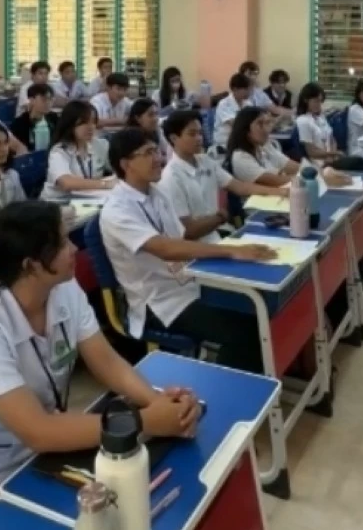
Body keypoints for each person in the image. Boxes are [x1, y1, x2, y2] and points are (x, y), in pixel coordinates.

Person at [0, 200, 204, 511]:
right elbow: (38, 431)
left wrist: (155, 403)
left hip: (50, 454)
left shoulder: (64, 290)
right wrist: (146, 421)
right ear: (32, 265)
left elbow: (106, 361)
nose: (74, 249)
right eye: (63, 242)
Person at [99, 128, 275, 373]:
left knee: (258, 306)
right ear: (126, 163)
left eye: (157, 151)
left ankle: (256, 377)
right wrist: (231, 251)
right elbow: (166, 248)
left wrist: (231, 249)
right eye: (148, 153)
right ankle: (224, 399)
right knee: (244, 330)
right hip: (159, 301)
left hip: (189, 281)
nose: (159, 158)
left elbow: (180, 237)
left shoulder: (156, 192)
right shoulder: (116, 210)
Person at [161, 110, 287, 243]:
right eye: (192, 134)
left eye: (200, 133)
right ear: (174, 138)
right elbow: (188, 231)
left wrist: (280, 191)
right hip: (196, 249)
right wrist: (220, 218)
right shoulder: (171, 177)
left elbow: (240, 187)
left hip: (215, 236)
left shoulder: (205, 161)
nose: (199, 138)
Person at [227, 107, 350, 188]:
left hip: (284, 194)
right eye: (260, 124)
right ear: (245, 130)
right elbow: (274, 181)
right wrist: (320, 180)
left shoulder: (265, 146)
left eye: (267, 123)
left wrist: (321, 172)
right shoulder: (240, 157)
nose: (266, 129)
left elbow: (291, 166)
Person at [295, 82, 363, 172]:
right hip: (319, 165)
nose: (319, 105)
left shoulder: (320, 117)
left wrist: (333, 155)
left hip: (330, 160)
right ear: (305, 100)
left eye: (320, 101)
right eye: (316, 101)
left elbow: (332, 139)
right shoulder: (303, 121)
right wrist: (332, 154)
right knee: (358, 162)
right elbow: (311, 152)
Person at [40, 100, 115, 202]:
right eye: (84, 123)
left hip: (87, 200)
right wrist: (105, 184)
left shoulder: (100, 145)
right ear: (70, 125)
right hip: (58, 203)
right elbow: (66, 183)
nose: (90, 127)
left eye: (93, 122)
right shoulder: (59, 151)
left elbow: (119, 168)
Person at [9, 82, 57, 151]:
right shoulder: (20, 124)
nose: (48, 103)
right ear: (32, 100)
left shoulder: (54, 119)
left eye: (50, 99)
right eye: (44, 99)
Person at [213, 73, 254, 149]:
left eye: (249, 89)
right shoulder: (224, 104)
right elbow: (236, 124)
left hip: (242, 140)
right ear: (235, 89)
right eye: (246, 89)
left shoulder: (248, 103)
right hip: (225, 141)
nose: (249, 92)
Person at [126, 97, 170, 162]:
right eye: (150, 115)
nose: (155, 118)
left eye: (156, 114)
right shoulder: (129, 138)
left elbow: (168, 151)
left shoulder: (157, 131)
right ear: (137, 118)